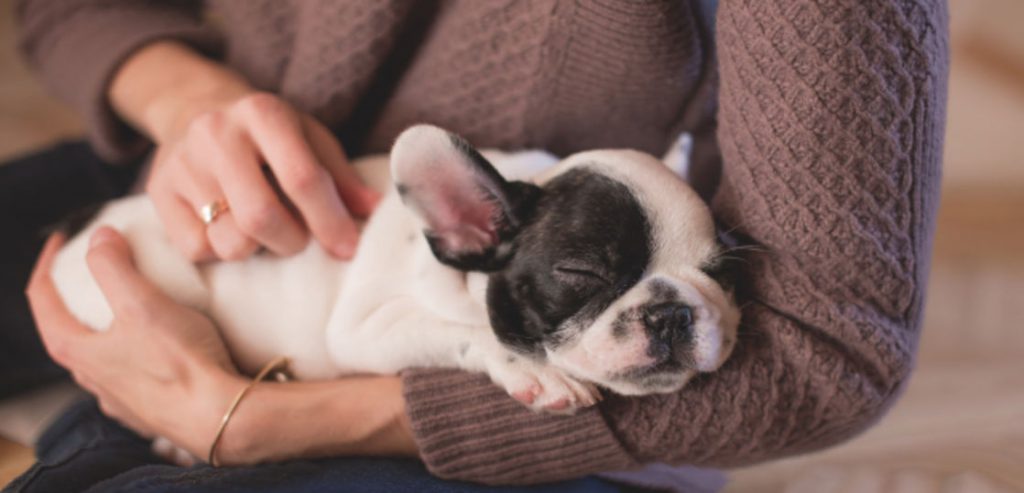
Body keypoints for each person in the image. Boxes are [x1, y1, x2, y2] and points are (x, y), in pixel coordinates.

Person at [4, 0, 948, 491]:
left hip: (475, 418)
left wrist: (254, 422)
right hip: (190, 202)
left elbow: (831, 350)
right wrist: (184, 100)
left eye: (709, 275)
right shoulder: (481, 220)